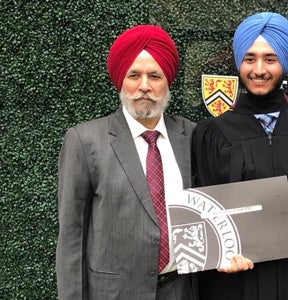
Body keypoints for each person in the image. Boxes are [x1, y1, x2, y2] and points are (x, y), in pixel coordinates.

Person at [192, 12, 288, 300]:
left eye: (270, 59)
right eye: (250, 58)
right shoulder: (212, 133)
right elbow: (204, 213)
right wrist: (218, 252)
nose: (259, 69)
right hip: (234, 283)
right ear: (239, 62)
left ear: (284, 63)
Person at [55, 24, 199, 299]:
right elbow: (72, 233)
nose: (144, 86)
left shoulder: (191, 135)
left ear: (167, 81)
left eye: (154, 75)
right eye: (135, 75)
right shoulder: (85, 141)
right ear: (121, 79)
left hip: (180, 291)